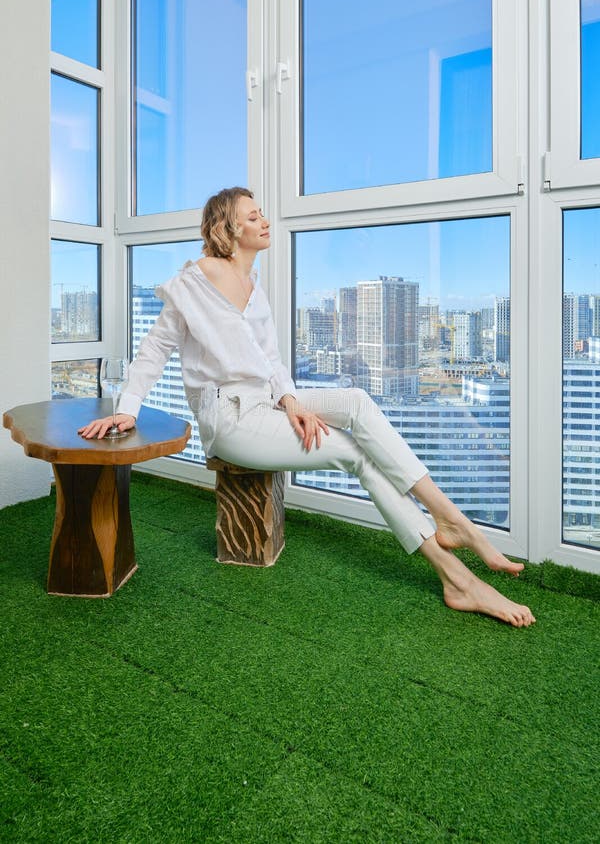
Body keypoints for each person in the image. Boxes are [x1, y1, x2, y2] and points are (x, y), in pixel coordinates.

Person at [79, 187, 535, 628]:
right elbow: (155, 348)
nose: (265, 220)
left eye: (262, 213)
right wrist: (128, 409)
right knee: (353, 452)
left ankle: (448, 518)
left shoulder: (255, 289)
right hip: (230, 419)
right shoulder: (195, 280)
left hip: (266, 403)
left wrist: (292, 403)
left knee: (355, 401)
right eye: (253, 215)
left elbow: (272, 363)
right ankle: (457, 576)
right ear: (227, 227)